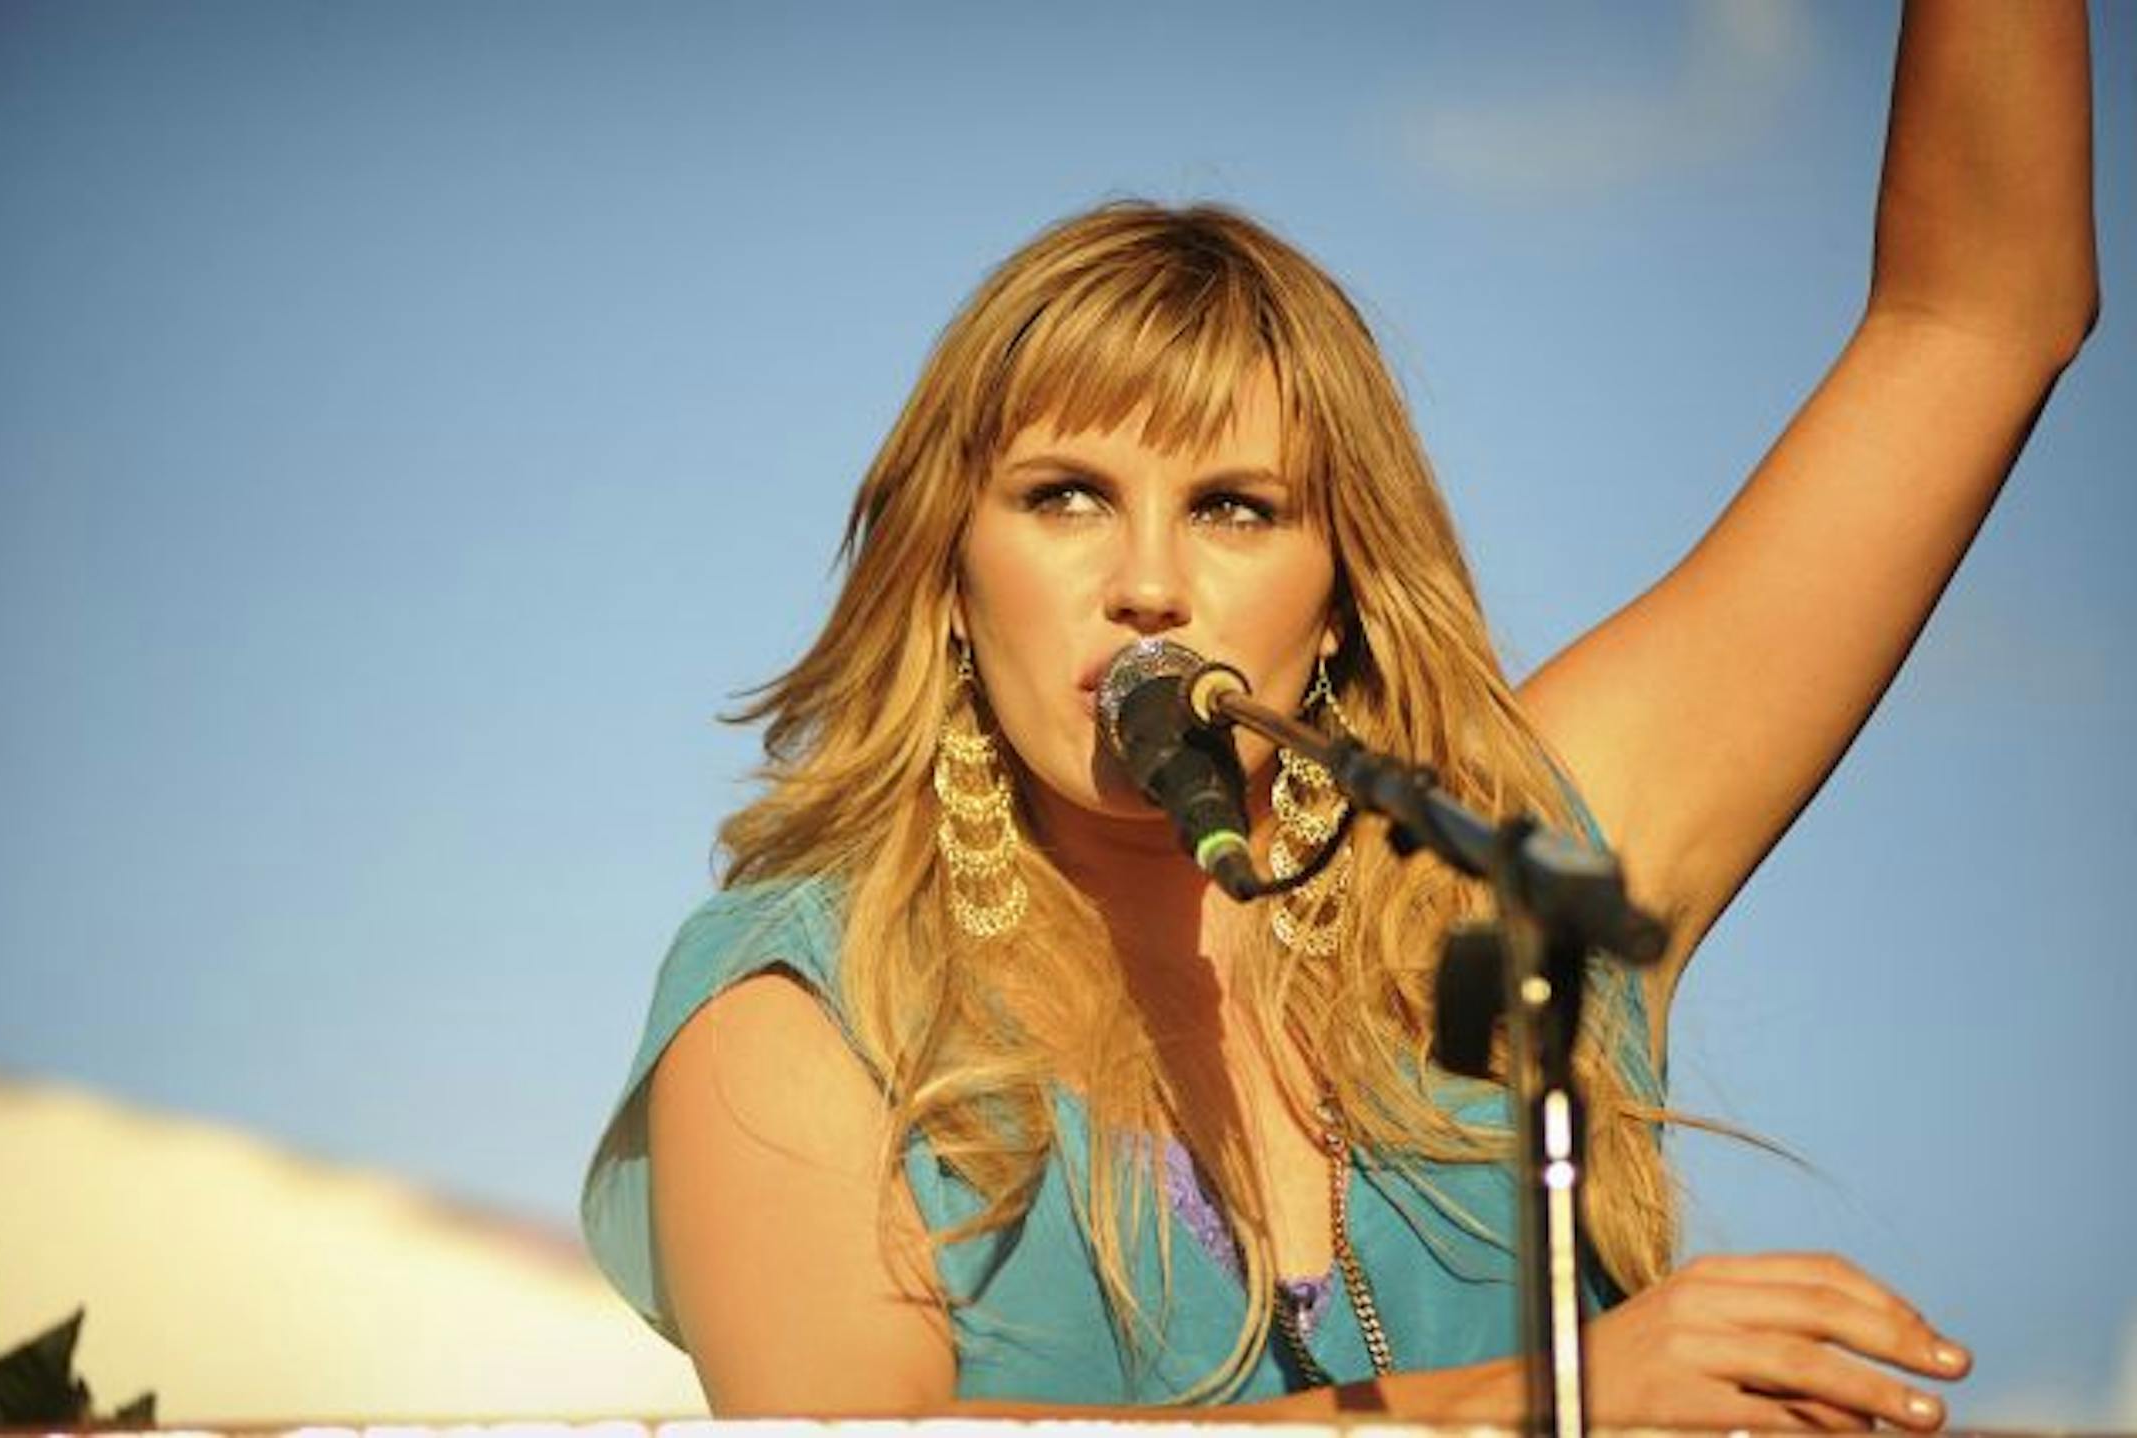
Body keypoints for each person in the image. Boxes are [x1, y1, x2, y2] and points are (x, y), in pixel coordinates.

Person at [582, 0, 2097, 1424]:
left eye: (1236, 509)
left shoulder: (1514, 868)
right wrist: (1527, 1402)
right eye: (1067, 498)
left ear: (1340, 597)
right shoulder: (802, 1006)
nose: (1150, 585)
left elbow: (1980, 317)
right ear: (952, 577)